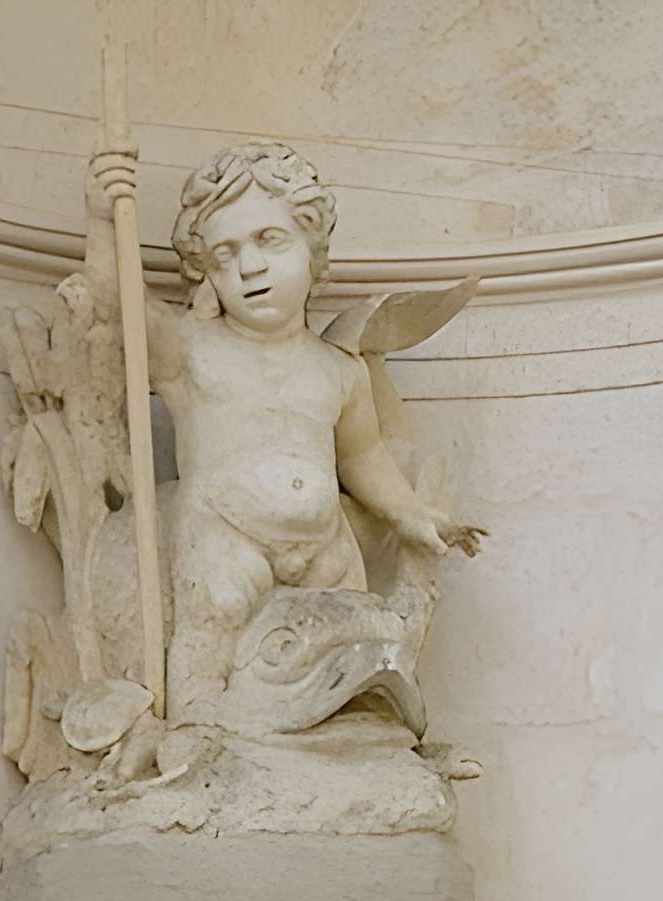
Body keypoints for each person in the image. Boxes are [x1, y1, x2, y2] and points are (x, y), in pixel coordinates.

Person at [84, 139, 485, 725]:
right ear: (206, 273)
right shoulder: (192, 350)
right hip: (226, 532)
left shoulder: (338, 369)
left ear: (312, 249)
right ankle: (197, 735)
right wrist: (101, 220)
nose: (248, 267)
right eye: (224, 255)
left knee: (351, 639)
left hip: (325, 544)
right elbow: (115, 302)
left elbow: (363, 456)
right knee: (211, 626)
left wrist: (415, 517)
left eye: (269, 242)